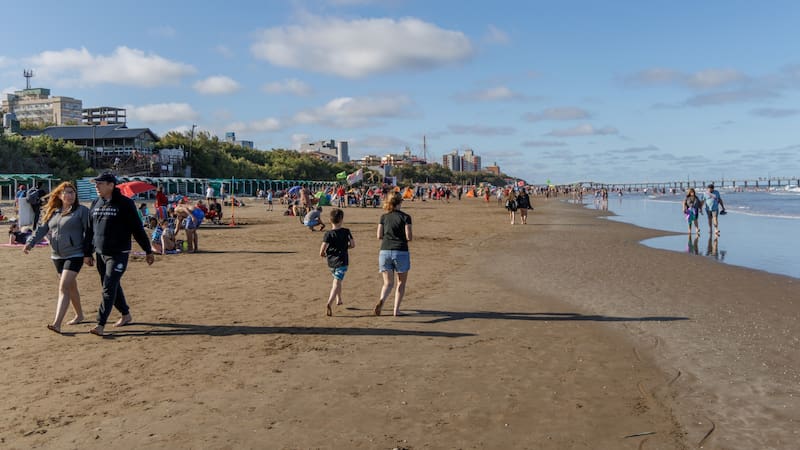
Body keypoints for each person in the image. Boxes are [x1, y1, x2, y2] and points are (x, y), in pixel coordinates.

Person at [86, 172, 155, 337]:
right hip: (101, 252)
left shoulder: (125, 204)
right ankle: (125, 314)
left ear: (111, 185)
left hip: (119, 253)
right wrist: (87, 252)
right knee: (111, 285)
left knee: (108, 287)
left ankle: (100, 324)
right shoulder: (95, 203)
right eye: (96, 183)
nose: (97, 186)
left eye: (100, 183)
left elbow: (137, 229)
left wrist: (147, 250)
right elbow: (90, 230)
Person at [23, 182, 93, 333]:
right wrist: (30, 243)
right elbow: (41, 229)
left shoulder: (82, 211)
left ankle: (57, 323)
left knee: (63, 287)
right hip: (56, 256)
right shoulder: (53, 212)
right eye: (67, 192)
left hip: (75, 254)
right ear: (60, 196)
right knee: (71, 287)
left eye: (72, 192)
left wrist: (88, 253)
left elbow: (89, 233)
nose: (70, 195)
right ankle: (79, 315)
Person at [375, 192, 412, 317]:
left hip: (385, 251)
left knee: (388, 283)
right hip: (401, 250)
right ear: (400, 201)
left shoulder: (384, 217)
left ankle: (382, 300)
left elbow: (379, 235)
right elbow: (409, 237)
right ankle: (396, 310)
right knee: (401, 282)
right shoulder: (406, 217)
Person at [319, 208, 355, 316]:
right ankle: (329, 302)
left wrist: (323, 254)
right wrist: (345, 247)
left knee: (337, 280)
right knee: (336, 282)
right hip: (342, 261)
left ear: (330, 221)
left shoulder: (328, 234)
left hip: (331, 261)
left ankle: (339, 299)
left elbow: (322, 249)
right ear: (341, 219)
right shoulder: (346, 231)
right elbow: (353, 245)